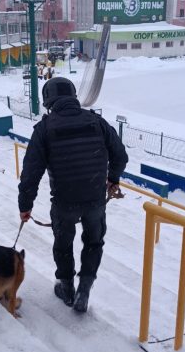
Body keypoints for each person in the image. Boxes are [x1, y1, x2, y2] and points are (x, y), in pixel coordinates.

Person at [17, 77, 128, 313]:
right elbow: (120, 155)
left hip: (64, 203)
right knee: (94, 242)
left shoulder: (44, 129)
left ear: (48, 101)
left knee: (63, 244)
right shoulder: (97, 122)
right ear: (73, 96)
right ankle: (84, 288)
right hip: (95, 201)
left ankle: (67, 287)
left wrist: (25, 206)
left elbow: (30, 174)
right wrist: (113, 179)